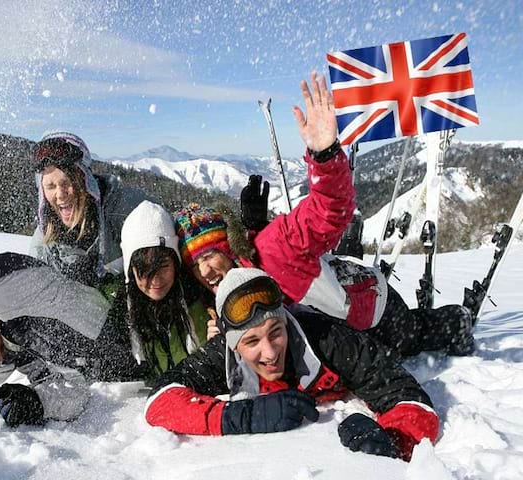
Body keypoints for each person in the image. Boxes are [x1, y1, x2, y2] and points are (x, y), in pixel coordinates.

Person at [174, 73, 474, 359]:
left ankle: (456, 321)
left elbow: (329, 210)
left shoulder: (275, 246)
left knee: (414, 337)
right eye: (194, 265)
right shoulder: (221, 298)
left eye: (208, 256)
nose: (205, 271)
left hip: (368, 306)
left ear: (228, 246)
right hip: (337, 328)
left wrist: (324, 155)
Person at [145, 268, 439, 461]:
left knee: (419, 334)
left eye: (276, 332)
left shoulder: (328, 340)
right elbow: (159, 400)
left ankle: (455, 320)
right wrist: (243, 416)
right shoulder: (221, 354)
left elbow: (403, 390)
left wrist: (394, 439)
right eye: (252, 342)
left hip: (382, 324)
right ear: (233, 345)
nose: (270, 352)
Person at [0, 252, 142, 427]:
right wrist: (36, 401)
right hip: (128, 361)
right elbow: (73, 387)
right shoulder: (13, 343)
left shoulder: (25, 300)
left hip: (136, 323)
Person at [29, 131, 148, 287]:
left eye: (67, 182)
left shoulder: (123, 209)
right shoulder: (43, 243)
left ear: (86, 182)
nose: (60, 194)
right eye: (50, 186)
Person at [120, 200, 208, 376]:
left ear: (175, 263)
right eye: (145, 270)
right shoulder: (121, 315)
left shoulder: (199, 296)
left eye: (163, 266)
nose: (156, 280)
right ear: (131, 270)